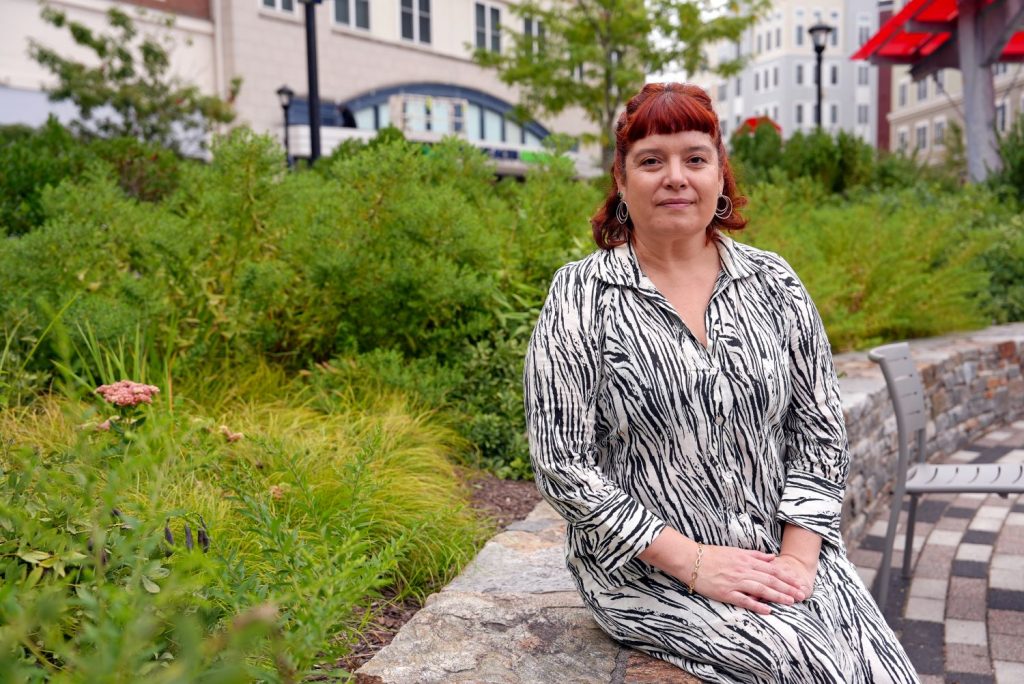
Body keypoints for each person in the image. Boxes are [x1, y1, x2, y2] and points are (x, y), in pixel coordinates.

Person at [523, 82, 919, 683]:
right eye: (652, 160)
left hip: (778, 549)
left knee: (880, 666)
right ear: (622, 182)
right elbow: (563, 463)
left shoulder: (773, 281)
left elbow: (819, 428)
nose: (675, 177)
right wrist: (695, 562)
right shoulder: (580, 295)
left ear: (720, 177)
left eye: (695, 158)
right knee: (796, 660)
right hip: (648, 569)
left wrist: (799, 558)